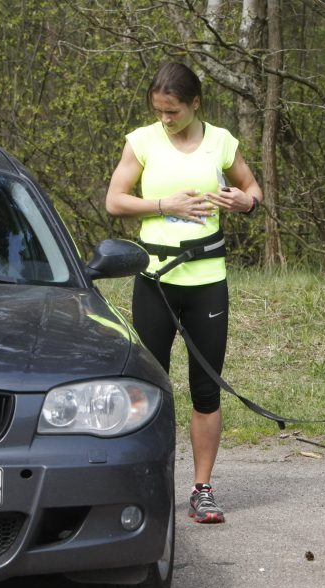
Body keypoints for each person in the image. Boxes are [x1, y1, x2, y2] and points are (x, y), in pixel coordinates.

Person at [106, 61, 262, 524]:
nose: (165, 119)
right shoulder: (142, 141)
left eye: (172, 111)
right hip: (155, 279)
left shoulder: (221, 141)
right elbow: (115, 201)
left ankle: (202, 489)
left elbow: (253, 189)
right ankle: (145, 483)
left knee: (205, 389)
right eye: (158, 111)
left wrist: (245, 201)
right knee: (147, 388)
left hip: (207, 281)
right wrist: (163, 204)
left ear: (195, 104)